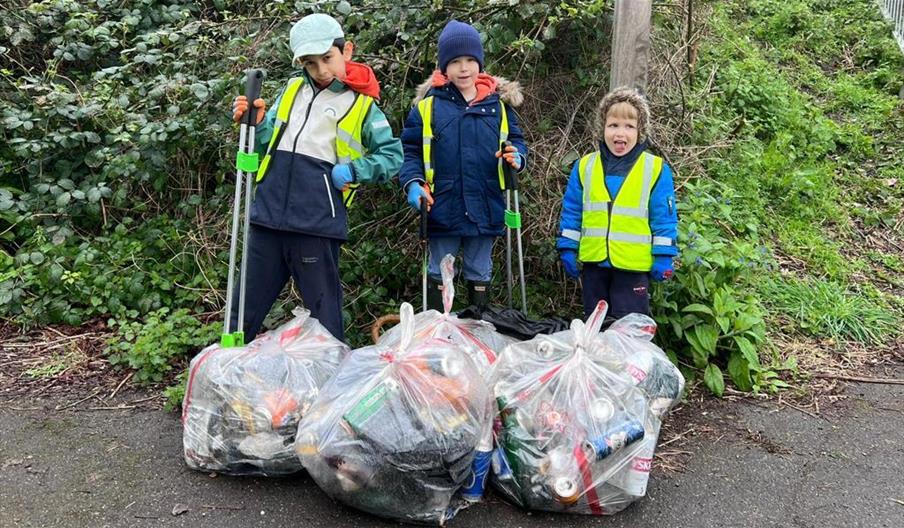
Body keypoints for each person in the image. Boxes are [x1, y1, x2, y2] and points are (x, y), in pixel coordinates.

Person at [230, 13, 403, 341]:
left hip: (317, 224)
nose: (322, 71)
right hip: (267, 218)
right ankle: (225, 374)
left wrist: (354, 170)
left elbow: (392, 157)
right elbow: (269, 142)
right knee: (243, 309)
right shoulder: (293, 88)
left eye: (328, 58)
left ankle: (331, 382)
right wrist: (256, 122)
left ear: (346, 51)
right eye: (311, 63)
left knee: (324, 317)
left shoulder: (363, 105)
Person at [398, 20, 528, 312]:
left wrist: (517, 158)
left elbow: (517, 140)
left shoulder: (498, 106)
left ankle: (477, 329)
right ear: (444, 67)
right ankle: (437, 334)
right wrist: (413, 183)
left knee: (480, 269)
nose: (464, 67)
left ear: (480, 63)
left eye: (470, 60)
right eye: (455, 61)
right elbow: (410, 150)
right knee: (439, 270)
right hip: (441, 205)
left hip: (486, 204)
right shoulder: (428, 107)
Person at [556, 87, 678, 320]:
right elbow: (572, 211)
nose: (620, 133)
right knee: (595, 326)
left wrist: (664, 255)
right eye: (613, 125)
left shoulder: (655, 169)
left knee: (629, 329)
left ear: (640, 131)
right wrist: (567, 248)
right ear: (602, 128)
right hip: (594, 265)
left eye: (629, 126)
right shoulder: (584, 166)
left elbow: (664, 217)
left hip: (633, 268)